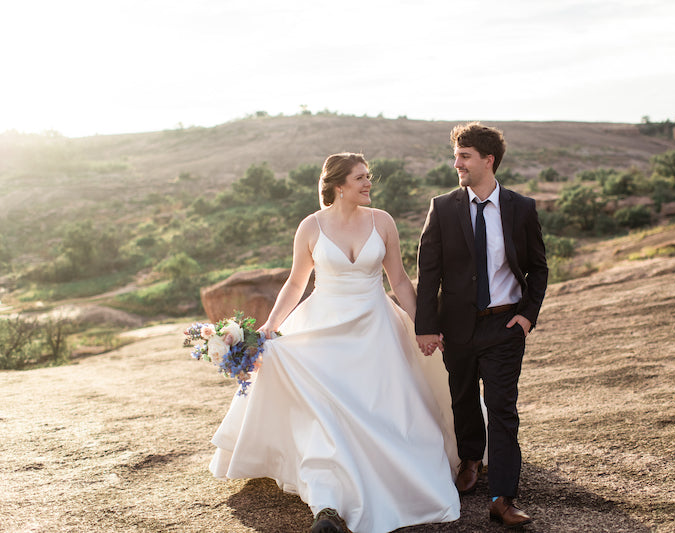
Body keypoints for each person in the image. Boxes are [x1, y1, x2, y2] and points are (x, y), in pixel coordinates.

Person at [208, 153, 460, 533]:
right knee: (321, 409)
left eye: (368, 177)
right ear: (338, 185)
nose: (367, 183)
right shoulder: (311, 227)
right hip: (324, 328)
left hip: (376, 328)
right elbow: (296, 283)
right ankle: (327, 501)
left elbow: (401, 281)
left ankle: (384, 481)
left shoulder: (383, 221)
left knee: (388, 410)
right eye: (360, 178)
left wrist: (422, 324)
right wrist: (270, 327)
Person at [415, 123, 548, 528]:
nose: (457, 163)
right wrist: (426, 325)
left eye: (465, 156)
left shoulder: (521, 207)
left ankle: (502, 497)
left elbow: (538, 268)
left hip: (504, 325)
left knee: (503, 408)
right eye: (456, 156)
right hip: (457, 327)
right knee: (463, 399)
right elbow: (429, 269)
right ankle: (471, 457)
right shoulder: (443, 206)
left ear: (488, 160)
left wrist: (526, 316)